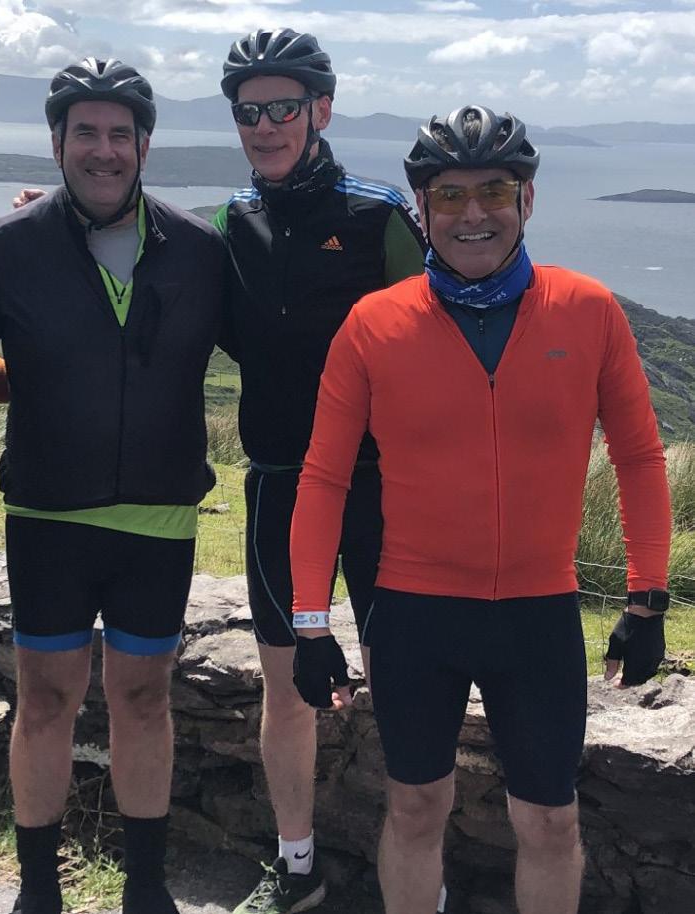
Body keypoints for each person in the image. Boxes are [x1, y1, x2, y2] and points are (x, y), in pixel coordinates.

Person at [290, 105, 672, 914]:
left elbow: (639, 456)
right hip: (414, 609)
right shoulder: (374, 325)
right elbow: (323, 477)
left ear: (526, 199)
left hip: (538, 611)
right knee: (414, 807)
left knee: (551, 822)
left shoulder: (588, 310)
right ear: (421, 207)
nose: (473, 214)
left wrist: (647, 597)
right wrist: (311, 623)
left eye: (494, 191)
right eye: (449, 195)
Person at [0, 58, 226, 914]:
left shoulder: (200, 251)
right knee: (44, 700)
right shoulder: (10, 247)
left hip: (158, 516)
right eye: (85, 133)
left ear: (144, 145)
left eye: (119, 134)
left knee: (144, 698)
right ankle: (39, 890)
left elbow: (280, 350)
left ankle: (146, 888)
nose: (103, 150)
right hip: (49, 513)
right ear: (56, 143)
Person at [213, 28, 426, 914]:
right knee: (285, 689)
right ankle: (296, 864)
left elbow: (442, 338)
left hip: (380, 488)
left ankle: (417, 874)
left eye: (283, 108)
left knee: (400, 684)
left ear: (321, 111)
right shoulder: (233, 221)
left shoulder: (378, 216)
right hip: (277, 482)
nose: (265, 126)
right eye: (249, 112)